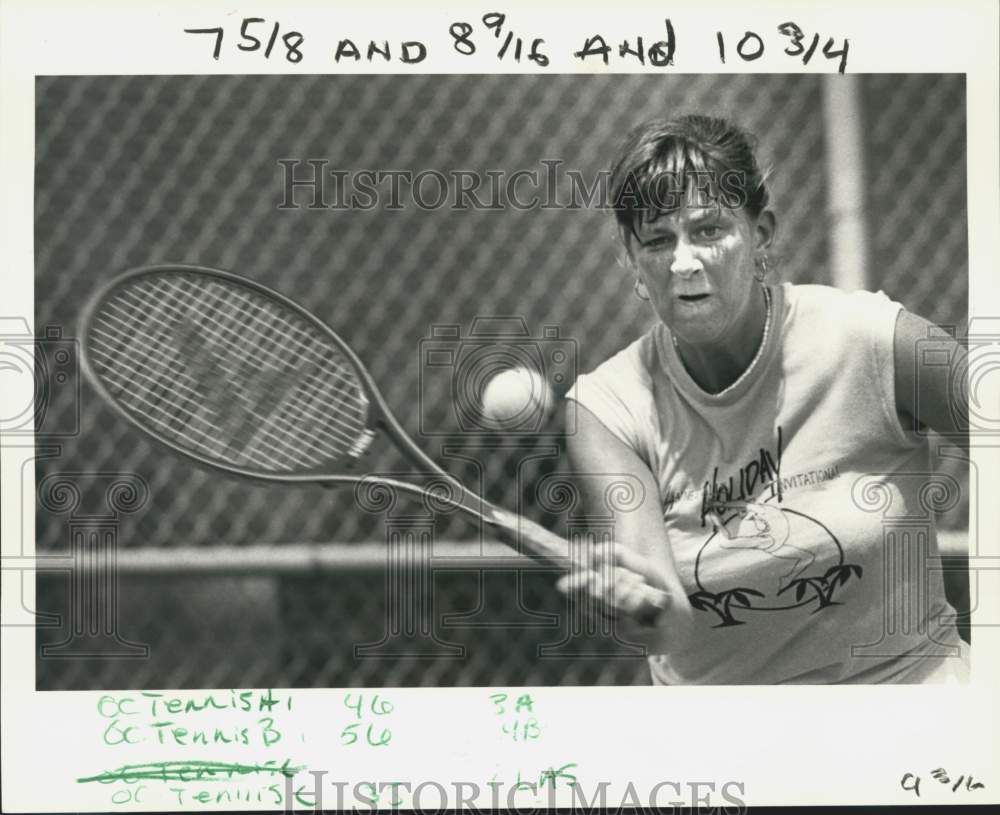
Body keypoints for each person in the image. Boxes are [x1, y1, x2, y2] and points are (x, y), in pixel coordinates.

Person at [561, 114, 969, 684]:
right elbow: (669, 622)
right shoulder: (606, 409)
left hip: (911, 705)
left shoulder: (875, 339)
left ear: (761, 235)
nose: (684, 260)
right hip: (731, 746)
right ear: (633, 262)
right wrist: (637, 606)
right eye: (657, 240)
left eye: (709, 230)